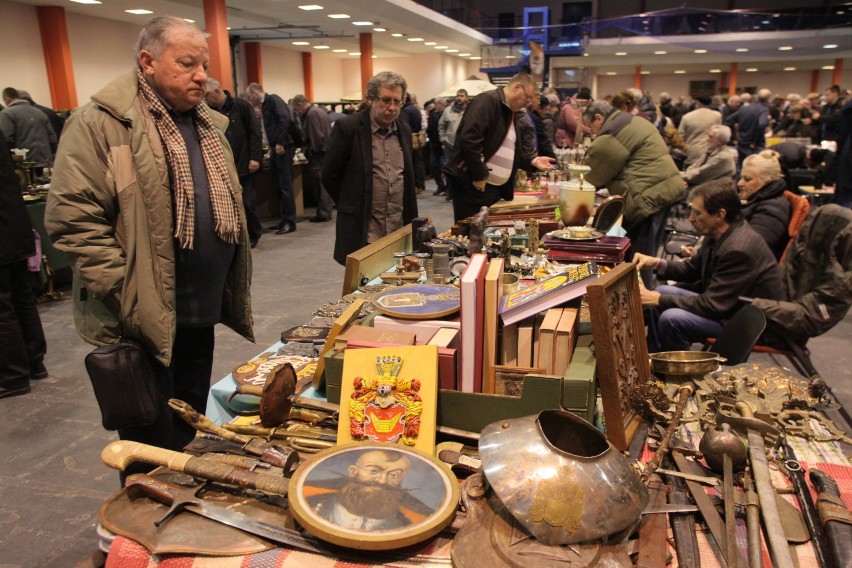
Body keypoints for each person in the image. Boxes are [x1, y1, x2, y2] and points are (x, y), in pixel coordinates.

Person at [45, 16, 253, 482]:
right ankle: (136, 538)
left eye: (204, 64)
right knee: (146, 444)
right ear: (148, 62)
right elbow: (73, 219)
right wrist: (129, 293)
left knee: (187, 430)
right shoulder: (100, 124)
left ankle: (177, 519)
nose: (202, 75)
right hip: (138, 324)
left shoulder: (207, 125)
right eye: (187, 63)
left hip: (197, 315)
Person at [634, 180, 784, 352]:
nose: (690, 218)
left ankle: (678, 373)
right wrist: (657, 263)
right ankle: (654, 357)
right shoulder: (717, 232)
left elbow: (713, 305)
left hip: (748, 322)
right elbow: (692, 270)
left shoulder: (738, 249)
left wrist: (658, 300)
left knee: (671, 317)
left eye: (697, 213)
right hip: (728, 307)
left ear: (719, 215)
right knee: (662, 293)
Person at [582, 99, 685, 288]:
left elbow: (590, 177)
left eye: (590, 127)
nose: (591, 132)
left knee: (638, 258)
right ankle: (645, 301)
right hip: (662, 191)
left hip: (646, 198)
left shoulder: (612, 134)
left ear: (598, 118)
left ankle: (642, 305)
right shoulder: (633, 120)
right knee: (648, 254)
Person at [321, 71, 418, 266]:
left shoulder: (403, 129)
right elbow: (330, 174)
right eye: (385, 100)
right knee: (361, 289)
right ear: (370, 99)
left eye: (396, 102)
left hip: (398, 227)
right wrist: (351, 202)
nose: (391, 108)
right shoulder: (348, 128)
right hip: (364, 229)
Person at [444, 73, 555, 222]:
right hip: (474, 186)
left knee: (487, 238)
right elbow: (470, 139)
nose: (527, 104)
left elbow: (507, 147)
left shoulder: (510, 111)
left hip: (491, 189)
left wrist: (533, 161)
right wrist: (480, 175)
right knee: (470, 236)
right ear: (517, 88)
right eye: (527, 98)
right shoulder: (487, 101)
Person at [0, 135, 47, 399]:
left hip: (6, 229)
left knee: (3, 307)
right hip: (15, 224)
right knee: (22, 297)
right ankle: (35, 362)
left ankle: (14, 375)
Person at [305, 449, 432, 530]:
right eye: (374, 471)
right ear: (353, 471)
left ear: (400, 480)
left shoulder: (414, 519)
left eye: (393, 475)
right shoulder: (313, 501)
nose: (382, 481)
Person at [204, 78, 264, 247]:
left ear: (217, 91)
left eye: (207, 94)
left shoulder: (241, 106)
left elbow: (255, 132)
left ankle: (254, 234)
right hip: (224, 166)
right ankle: (236, 235)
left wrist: (255, 157)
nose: (206, 99)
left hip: (244, 164)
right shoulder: (210, 110)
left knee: (247, 202)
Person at [245, 82, 298, 235]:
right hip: (275, 148)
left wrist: (280, 142)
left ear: (257, 92)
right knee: (279, 186)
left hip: (283, 147)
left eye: (250, 96)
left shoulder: (273, 99)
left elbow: (284, 119)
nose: (249, 100)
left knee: (285, 186)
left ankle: (290, 221)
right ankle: (284, 219)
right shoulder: (263, 107)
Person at [738, 150, 791, 260]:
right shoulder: (760, 200)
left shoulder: (774, 208)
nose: (740, 183)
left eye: (747, 179)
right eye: (741, 177)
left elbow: (751, 248)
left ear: (767, 182)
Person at [291, 94, 334, 222]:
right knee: (324, 182)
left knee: (321, 184)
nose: (297, 112)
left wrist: (310, 151)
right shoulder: (320, 111)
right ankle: (325, 210)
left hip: (319, 154)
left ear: (300, 104)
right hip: (325, 151)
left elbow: (317, 136)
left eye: (296, 109)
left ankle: (323, 212)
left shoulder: (311, 114)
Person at [1, 87, 57, 171]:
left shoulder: (6, 113)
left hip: (24, 163)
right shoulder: (39, 112)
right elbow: (52, 138)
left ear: (7, 98)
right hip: (45, 161)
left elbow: (6, 139)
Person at [726, 88, 771, 171]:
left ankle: (738, 183)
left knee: (741, 167)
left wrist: (736, 134)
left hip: (742, 141)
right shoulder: (763, 110)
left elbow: (729, 120)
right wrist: (755, 140)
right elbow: (762, 124)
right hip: (755, 145)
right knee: (754, 168)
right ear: (768, 99)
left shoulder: (744, 108)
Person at [438, 89, 469, 200]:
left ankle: (462, 193)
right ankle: (450, 192)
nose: (459, 98)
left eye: (461, 96)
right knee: (449, 169)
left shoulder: (470, 110)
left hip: (464, 146)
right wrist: (442, 138)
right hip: (449, 145)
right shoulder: (448, 110)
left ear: (466, 97)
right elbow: (441, 125)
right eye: (458, 95)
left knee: (463, 170)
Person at [678, 96, 722, 168]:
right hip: (711, 151)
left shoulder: (686, 117)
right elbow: (719, 132)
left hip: (692, 152)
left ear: (697, 103)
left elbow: (680, 137)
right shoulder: (717, 115)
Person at [401, 93, 425, 194]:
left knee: (413, 163)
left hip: (411, 139)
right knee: (418, 162)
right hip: (417, 138)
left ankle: (417, 185)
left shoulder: (406, 110)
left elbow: (405, 125)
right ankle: (420, 185)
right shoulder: (415, 109)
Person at [426, 97, 448, 196]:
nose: (436, 106)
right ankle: (440, 186)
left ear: (441, 103)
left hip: (445, 144)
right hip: (434, 144)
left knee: (446, 166)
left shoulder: (447, 113)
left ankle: (449, 189)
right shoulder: (433, 114)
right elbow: (430, 128)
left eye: (436, 103)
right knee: (433, 165)